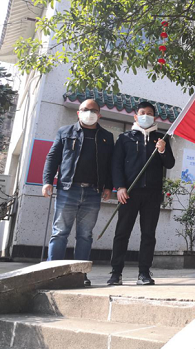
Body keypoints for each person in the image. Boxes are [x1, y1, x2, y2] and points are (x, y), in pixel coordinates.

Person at [42, 99, 114, 286]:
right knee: (60, 233)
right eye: (85, 109)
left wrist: (108, 186)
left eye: (93, 110)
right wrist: (47, 181)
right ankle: (52, 274)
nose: (89, 113)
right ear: (78, 112)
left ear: (99, 114)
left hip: (93, 192)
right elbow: (52, 157)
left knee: (85, 235)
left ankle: (80, 275)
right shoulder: (65, 132)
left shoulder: (107, 137)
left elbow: (110, 164)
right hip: (68, 189)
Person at [108, 101, 175, 286]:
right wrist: (120, 187)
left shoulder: (161, 138)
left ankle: (144, 273)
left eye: (150, 113)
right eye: (142, 112)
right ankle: (116, 273)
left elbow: (169, 164)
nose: (146, 115)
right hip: (129, 193)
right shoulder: (125, 138)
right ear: (136, 116)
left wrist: (162, 150)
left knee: (148, 234)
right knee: (122, 233)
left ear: (154, 117)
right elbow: (116, 164)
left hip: (152, 194)